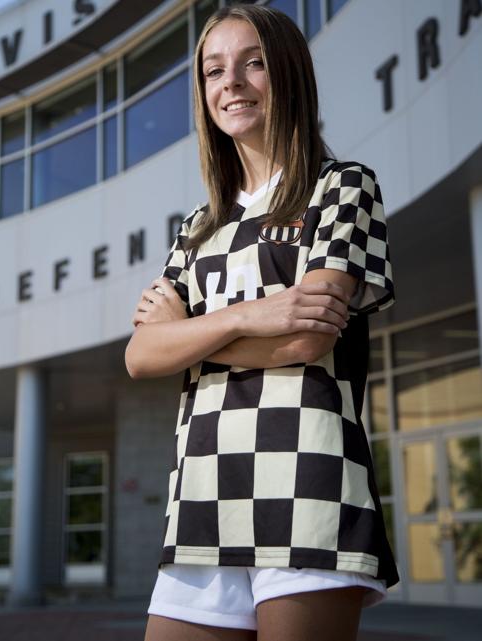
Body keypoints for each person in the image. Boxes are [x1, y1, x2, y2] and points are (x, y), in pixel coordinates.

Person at [125, 4, 399, 640]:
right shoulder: (196, 228)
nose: (232, 83)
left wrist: (188, 335)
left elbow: (307, 338)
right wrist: (253, 314)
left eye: (254, 63)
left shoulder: (342, 189)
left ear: (290, 75)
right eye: (214, 71)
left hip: (309, 482)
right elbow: (140, 356)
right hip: (202, 493)